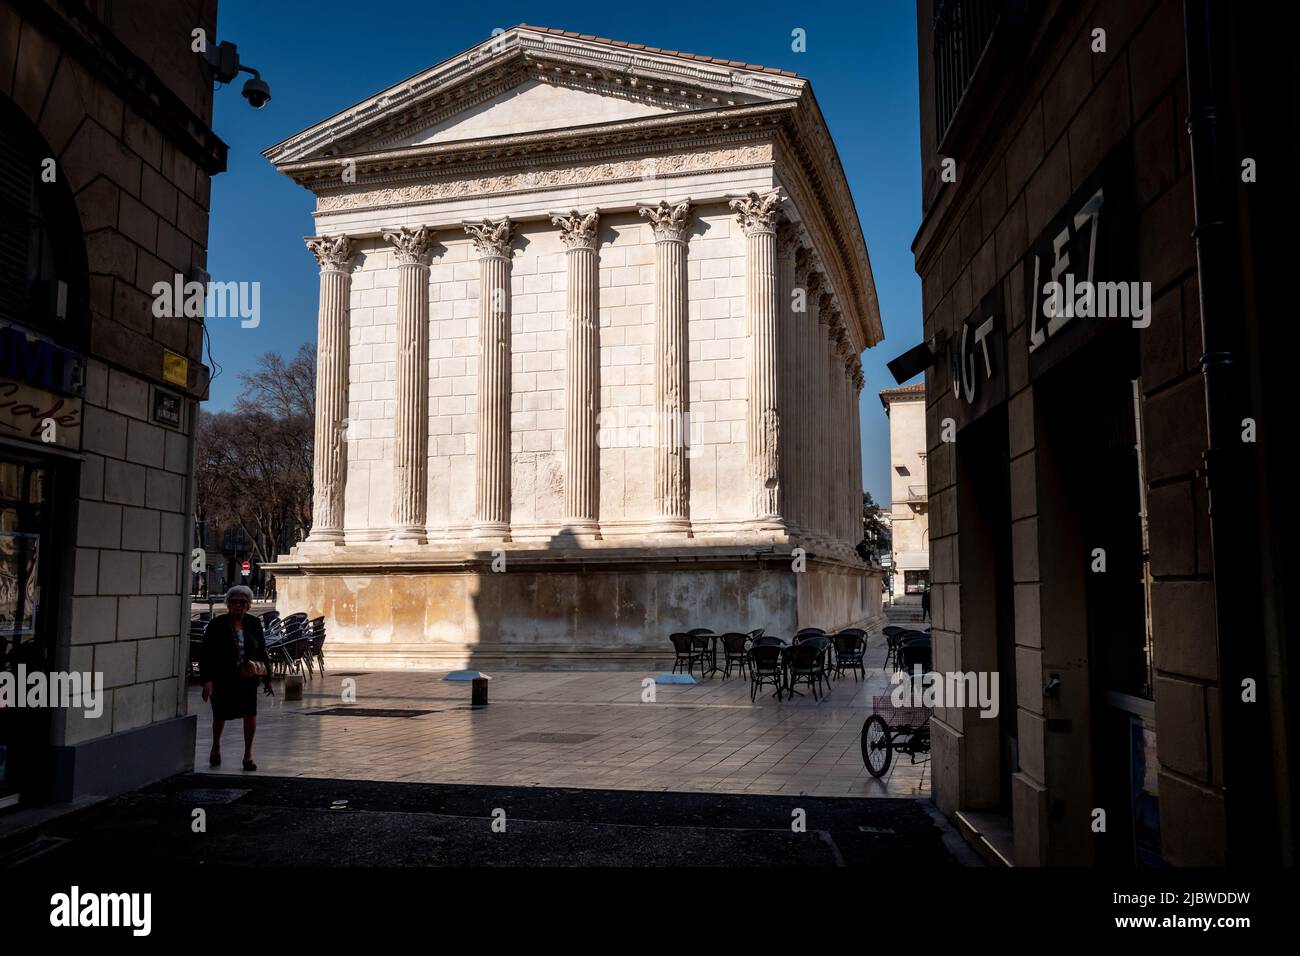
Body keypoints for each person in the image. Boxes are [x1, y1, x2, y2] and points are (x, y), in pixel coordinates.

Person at [199, 585, 273, 771]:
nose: (238, 606)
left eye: (242, 602)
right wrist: (207, 680)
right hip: (223, 677)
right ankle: (216, 746)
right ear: (228, 604)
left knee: (250, 714)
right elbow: (206, 653)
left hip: (247, 677)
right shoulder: (217, 624)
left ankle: (248, 755)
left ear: (248, 605)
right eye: (234, 602)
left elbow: (262, 651)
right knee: (220, 714)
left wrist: (268, 678)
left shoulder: (253, 624)